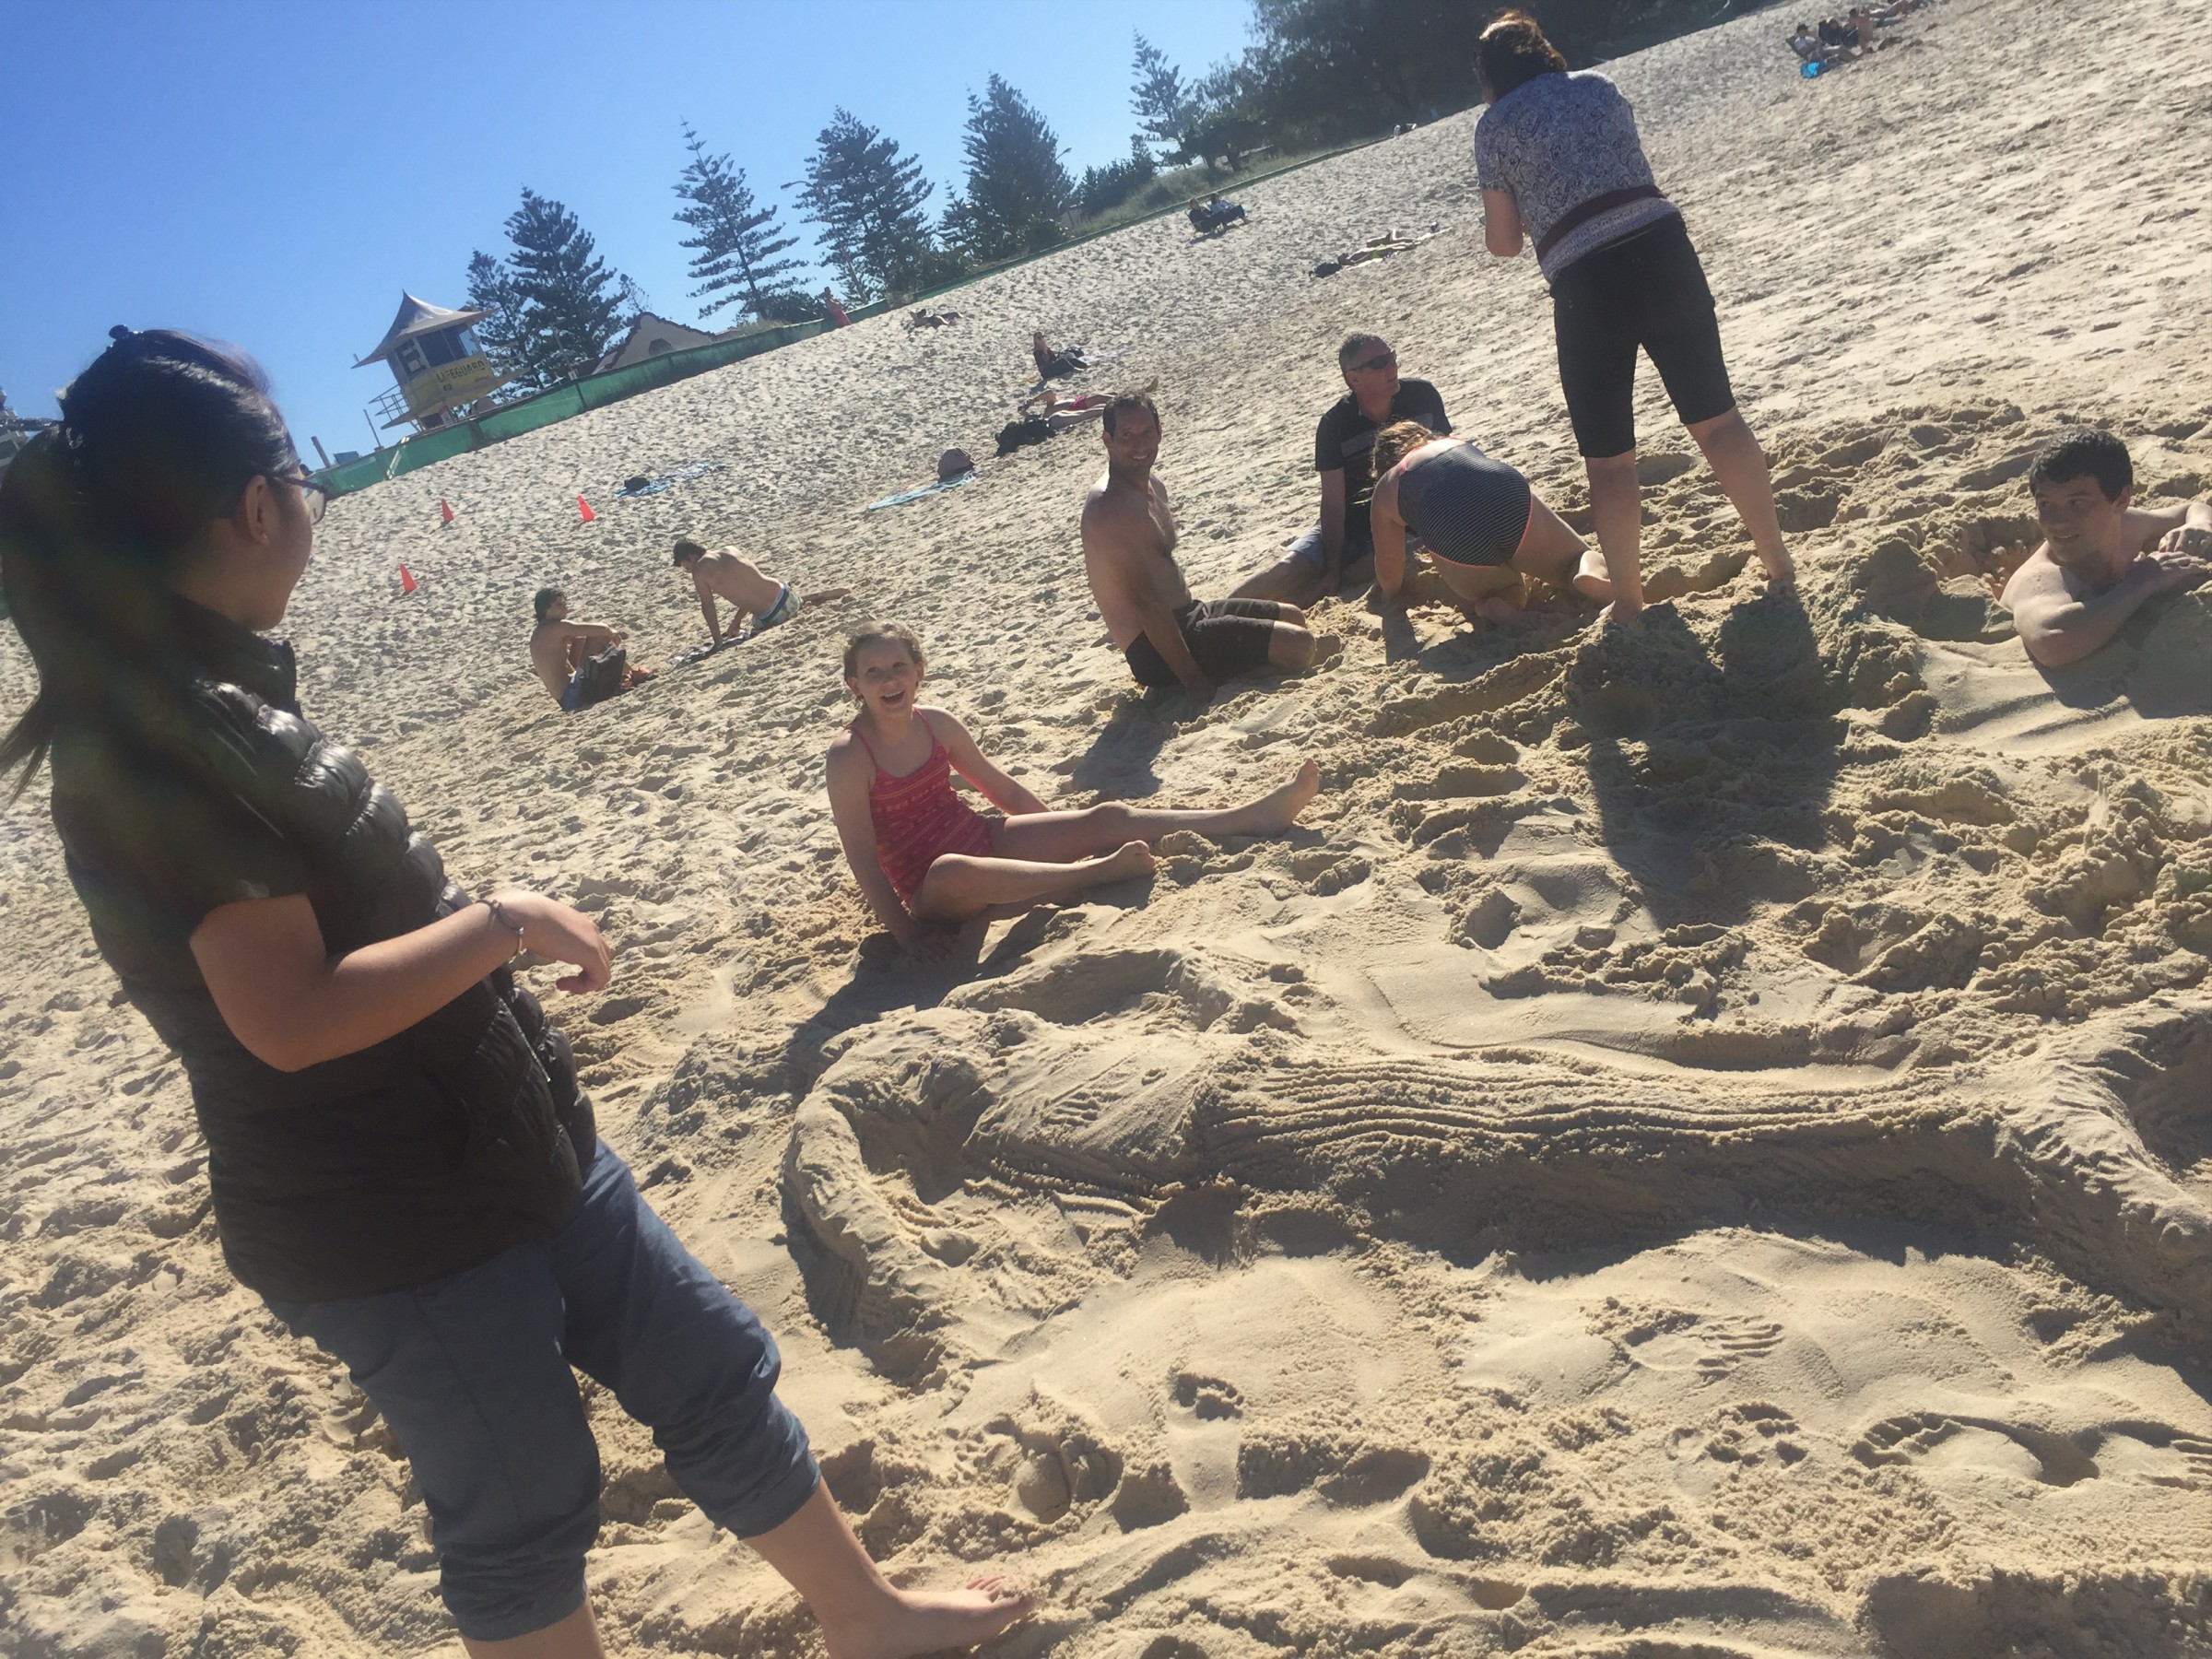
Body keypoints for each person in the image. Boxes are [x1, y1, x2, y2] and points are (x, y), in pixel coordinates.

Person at [0, 328, 1033, 1659]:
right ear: (256, 506)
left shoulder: (216, 693)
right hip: (389, 1218)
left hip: (516, 1137)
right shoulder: (153, 742)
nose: (310, 506)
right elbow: (289, 1018)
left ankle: (868, 1618)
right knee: (522, 1509)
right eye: (300, 482)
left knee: (707, 1367)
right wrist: (503, 924)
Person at [1475, 10, 1793, 625]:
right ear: (1542, 50)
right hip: (1663, 248)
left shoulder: (1494, 127)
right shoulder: (1600, 87)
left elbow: (1505, 242)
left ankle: (1628, 600)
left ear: (1489, 76)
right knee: (1719, 421)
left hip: (1587, 280)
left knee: (1610, 461)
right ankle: (1777, 559)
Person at [828, 622, 1322, 958]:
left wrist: (1065, 833)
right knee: (953, 869)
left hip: (983, 837)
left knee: (1106, 818)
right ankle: (1092, 874)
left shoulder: (937, 723)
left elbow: (1002, 790)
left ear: (919, 671)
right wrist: (909, 935)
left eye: (898, 667)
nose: (889, 680)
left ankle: (1249, 817)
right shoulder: (851, 755)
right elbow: (863, 859)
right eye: (874, 673)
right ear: (855, 685)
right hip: (933, 888)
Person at [1081, 392, 1320, 697]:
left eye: (1147, 432)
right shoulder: (1111, 507)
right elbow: (1145, 602)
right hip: (1153, 647)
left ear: (1160, 432)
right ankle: (1198, 681)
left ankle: (1224, 666)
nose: (1139, 444)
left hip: (1190, 613)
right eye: (1127, 435)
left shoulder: (1152, 485)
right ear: (1108, 440)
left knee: (1293, 616)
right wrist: (1193, 679)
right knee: (1299, 647)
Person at [1234, 334, 1452, 605]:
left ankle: (1324, 587)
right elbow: (1333, 502)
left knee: (1388, 560)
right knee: (1284, 572)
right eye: (1379, 363)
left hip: (1407, 521)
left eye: (1391, 357)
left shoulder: (1422, 396)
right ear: (1354, 379)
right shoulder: (1334, 425)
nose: (1392, 367)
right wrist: (1331, 567)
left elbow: (1448, 458)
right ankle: (1209, 615)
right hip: (1349, 524)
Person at [2000, 429, 2211, 667]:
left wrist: (2200, 524)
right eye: (2045, 504)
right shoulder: (2041, 578)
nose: (2058, 522)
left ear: (2121, 500)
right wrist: (2141, 582)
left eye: (2076, 503)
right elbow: (2051, 642)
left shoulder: (2126, 525)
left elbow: (2192, 509)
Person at [1367, 420, 1609, 620]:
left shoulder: (1386, 486)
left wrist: (1390, 595)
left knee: (1502, 589)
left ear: (1383, 468)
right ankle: (1588, 574)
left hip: (1447, 524)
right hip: (1500, 491)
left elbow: (1389, 568)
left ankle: (1498, 604)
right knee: (1573, 560)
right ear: (1425, 436)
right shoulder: (1452, 442)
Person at [673, 537, 853, 648]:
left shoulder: (699, 570)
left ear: (691, 557)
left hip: (773, 617)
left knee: (752, 629)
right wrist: (736, 620)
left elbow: (708, 606)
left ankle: (808, 599)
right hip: (786, 595)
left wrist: (718, 642)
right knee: (775, 595)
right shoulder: (730, 549)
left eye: (686, 567)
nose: (689, 571)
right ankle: (813, 597)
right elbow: (751, 586)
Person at [529, 587, 643, 711]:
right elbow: (602, 629)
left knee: (580, 639)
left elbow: (578, 636)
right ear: (545, 610)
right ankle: (631, 673)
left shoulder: (541, 631)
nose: (565, 608)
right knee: (600, 636)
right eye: (559, 605)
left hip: (566, 698)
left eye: (565, 604)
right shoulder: (556, 627)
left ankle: (627, 674)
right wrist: (613, 633)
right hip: (574, 696)